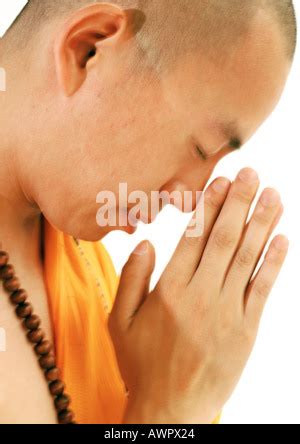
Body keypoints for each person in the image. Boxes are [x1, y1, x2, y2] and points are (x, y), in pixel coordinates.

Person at [0, 0, 297, 424]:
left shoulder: (94, 283)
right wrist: (168, 410)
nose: (191, 197)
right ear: (88, 49)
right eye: (200, 149)